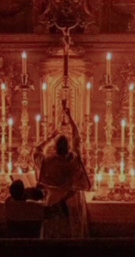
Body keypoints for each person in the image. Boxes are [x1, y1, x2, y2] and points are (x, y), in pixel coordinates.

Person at [33, 102, 91, 238]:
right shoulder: (74, 159)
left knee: (53, 236)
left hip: (53, 202)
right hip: (71, 204)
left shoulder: (48, 161)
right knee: (71, 235)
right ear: (68, 147)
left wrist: (51, 138)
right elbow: (77, 137)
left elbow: (36, 151)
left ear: (55, 148)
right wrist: (70, 118)